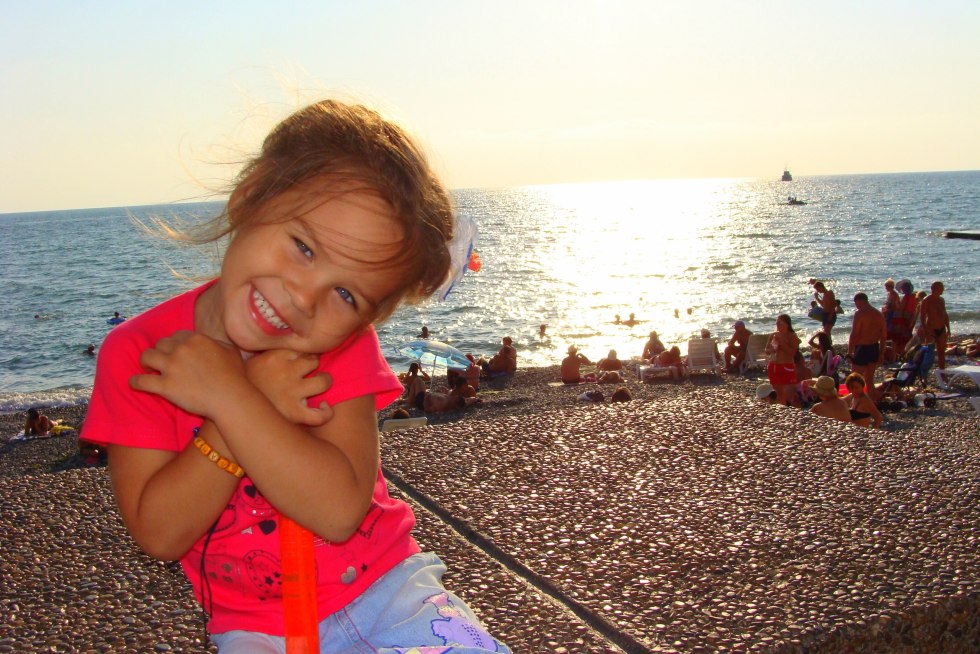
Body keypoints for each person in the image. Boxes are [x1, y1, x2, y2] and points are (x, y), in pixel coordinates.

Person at [79, 100, 508, 653]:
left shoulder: (340, 346)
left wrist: (232, 398)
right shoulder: (138, 354)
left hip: (389, 594)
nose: (305, 299)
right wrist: (241, 404)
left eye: (347, 294)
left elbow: (338, 510)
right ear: (249, 197)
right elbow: (160, 531)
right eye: (303, 247)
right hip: (252, 630)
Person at [848, 292, 887, 401]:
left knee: (854, 379)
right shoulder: (879, 314)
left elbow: (854, 334)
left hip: (862, 348)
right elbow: (884, 336)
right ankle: (874, 402)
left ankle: (856, 403)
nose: (856, 306)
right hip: (874, 347)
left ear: (859, 301)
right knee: (869, 380)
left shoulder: (859, 314)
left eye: (856, 304)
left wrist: (850, 352)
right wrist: (881, 353)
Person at [765, 314, 801, 406]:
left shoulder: (792, 335)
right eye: (777, 323)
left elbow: (793, 353)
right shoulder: (773, 335)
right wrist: (771, 350)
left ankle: (792, 410)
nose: (778, 325)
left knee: (789, 394)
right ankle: (782, 409)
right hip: (773, 366)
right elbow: (766, 350)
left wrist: (781, 344)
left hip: (786, 365)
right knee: (778, 392)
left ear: (787, 324)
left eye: (780, 323)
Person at [919, 281, 951, 370]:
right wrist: (926, 331)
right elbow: (922, 317)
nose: (943, 290)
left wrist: (948, 328)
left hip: (941, 329)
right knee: (930, 352)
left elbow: (945, 314)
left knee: (941, 352)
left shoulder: (941, 300)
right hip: (931, 329)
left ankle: (942, 371)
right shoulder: (926, 300)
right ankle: (923, 372)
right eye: (941, 288)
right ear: (934, 289)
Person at [889, 280, 917, 353]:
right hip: (911, 316)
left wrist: (897, 303)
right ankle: (904, 352)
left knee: (900, 337)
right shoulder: (914, 296)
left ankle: (899, 353)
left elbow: (901, 307)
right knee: (907, 335)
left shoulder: (906, 297)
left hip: (903, 318)